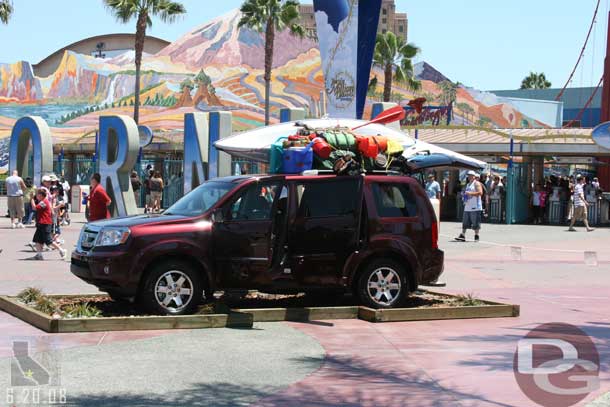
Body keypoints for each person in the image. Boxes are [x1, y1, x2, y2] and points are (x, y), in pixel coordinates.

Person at [29, 188, 66, 260]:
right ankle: (39, 255)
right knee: (38, 240)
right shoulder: (42, 201)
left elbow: (35, 208)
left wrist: (31, 199)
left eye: (38, 195)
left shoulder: (44, 202)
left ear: (42, 195)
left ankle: (62, 250)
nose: (36, 196)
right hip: (41, 223)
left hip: (45, 223)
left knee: (48, 241)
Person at [455, 170, 484, 242]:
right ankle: (463, 235)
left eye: (471, 175)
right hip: (467, 206)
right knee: (465, 222)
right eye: (468, 175)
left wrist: (470, 193)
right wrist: (464, 196)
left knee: (475, 222)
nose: (469, 176)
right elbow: (466, 193)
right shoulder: (468, 184)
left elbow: (480, 192)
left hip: (475, 207)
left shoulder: (476, 183)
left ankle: (476, 235)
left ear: (474, 176)